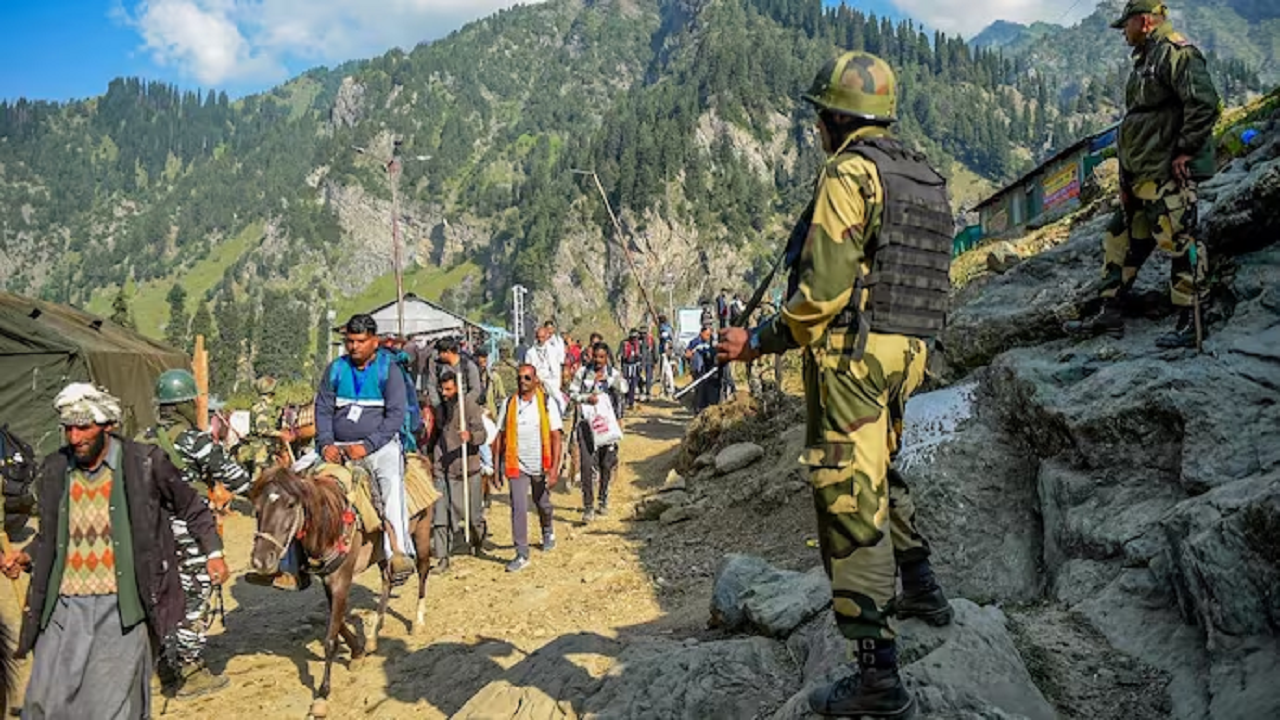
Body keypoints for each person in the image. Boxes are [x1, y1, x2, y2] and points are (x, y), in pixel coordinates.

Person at [717, 52, 955, 719]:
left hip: (854, 356)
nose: (816, 127)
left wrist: (756, 341)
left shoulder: (850, 173)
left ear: (833, 117)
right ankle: (924, 587)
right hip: (908, 352)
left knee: (850, 501)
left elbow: (820, 296)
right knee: (881, 472)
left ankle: (878, 679)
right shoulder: (921, 175)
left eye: (819, 115)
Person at [2, 383, 227, 720]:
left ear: (108, 425)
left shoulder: (145, 463)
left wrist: (213, 553)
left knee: (109, 706)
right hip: (62, 605)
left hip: (121, 605)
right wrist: (26, 555)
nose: (75, 438)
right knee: (43, 703)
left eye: (84, 428)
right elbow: (56, 536)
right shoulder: (54, 469)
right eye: (68, 429)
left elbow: (192, 507)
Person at [1063, 0, 1221, 348]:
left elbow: (1205, 102)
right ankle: (1110, 312)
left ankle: (1191, 318)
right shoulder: (1146, 61)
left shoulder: (1175, 53)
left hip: (1165, 171)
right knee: (1119, 238)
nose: (1123, 32)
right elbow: (1137, 123)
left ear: (1145, 21)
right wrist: (1125, 180)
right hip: (1140, 177)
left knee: (1179, 240)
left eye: (1127, 25)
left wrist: (1186, 150)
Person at [140, 369, 252, 698]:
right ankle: (189, 669)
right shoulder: (194, 440)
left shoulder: (141, 437)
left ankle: (164, 663)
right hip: (188, 531)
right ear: (186, 403)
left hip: (150, 533)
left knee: (160, 596)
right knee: (195, 596)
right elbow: (237, 480)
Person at [315, 314, 416, 580]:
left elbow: (395, 416)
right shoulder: (335, 369)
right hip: (336, 445)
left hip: (380, 446)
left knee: (391, 484)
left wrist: (368, 446)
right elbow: (323, 409)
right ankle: (290, 562)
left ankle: (398, 553)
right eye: (349, 341)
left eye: (360, 341)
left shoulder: (388, 370)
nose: (354, 347)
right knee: (296, 485)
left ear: (374, 341)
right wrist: (325, 443)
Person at [492, 364, 563, 573]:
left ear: (536, 381)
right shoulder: (509, 404)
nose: (523, 382)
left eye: (527, 378)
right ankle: (521, 553)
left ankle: (547, 530)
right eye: (519, 378)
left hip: (541, 463)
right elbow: (499, 437)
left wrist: (554, 469)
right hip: (517, 465)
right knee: (519, 507)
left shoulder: (547, 403)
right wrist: (496, 469)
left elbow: (556, 437)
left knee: (542, 502)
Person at [428, 372, 489, 568]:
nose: (444, 394)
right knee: (440, 516)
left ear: (457, 388)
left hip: (467, 470)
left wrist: (470, 436)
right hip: (443, 469)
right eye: (442, 389)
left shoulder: (469, 407)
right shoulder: (439, 409)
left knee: (473, 517)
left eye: (449, 389)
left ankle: (478, 539)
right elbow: (434, 436)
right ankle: (443, 557)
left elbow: (483, 434)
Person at [568, 343, 628, 522]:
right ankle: (588, 506)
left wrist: (613, 382)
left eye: (602, 357)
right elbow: (571, 393)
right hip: (587, 425)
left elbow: (624, 389)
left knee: (606, 463)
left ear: (606, 357)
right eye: (596, 357)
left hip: (607, 426)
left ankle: (603, 498)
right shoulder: (582, 373)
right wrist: (587, 398)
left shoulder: (612, 374)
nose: (598, 361)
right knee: (587, 465)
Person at [425, 336, 482, 409]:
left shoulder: (469, 367)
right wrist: (437, 406)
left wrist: (461, 405)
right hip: (443, 408)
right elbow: (431, 385)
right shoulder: (437, 366)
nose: (438, 355)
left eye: (440, 352)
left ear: (448, 352)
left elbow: (475, 390)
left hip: (464, 408)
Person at [527, 324, 566, 414]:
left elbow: (557, 368)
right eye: (538, 337)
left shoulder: (553, 350)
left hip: (552, 380)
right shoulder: (530, 352)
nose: (540, 340)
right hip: (537, 381)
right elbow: (528, 369)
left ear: (546, 337)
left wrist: (557, 383)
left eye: (542, 337)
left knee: (559, 402)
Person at [684, 326, 719, 413]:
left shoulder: (709, 343)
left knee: (704, 389)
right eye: (707, 335)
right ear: (701, 333)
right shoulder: (695, 342)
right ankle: (697, 408)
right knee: (699, 389)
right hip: (697, 369)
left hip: (706, 370)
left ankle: (702, 406)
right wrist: (693, 354)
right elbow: (687, 354)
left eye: (709, 335)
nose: (708, 337)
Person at [618, 329, 643, 411]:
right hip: (626, 366)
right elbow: (619, 353)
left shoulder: (638, 344)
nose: (634, 339)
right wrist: (619, 356)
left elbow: (641, 355)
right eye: (633, 338)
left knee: (633, 384)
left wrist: (640, 363)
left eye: (635, 338)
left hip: (635, 367)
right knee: (625, 384)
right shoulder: (624, 343)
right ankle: (625, 400)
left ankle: (631, 402)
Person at [640, 326, 657, 402]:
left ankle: (645, 392)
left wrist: (655, 360)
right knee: (648, 377)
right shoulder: (651, 339)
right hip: (648, 360)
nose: (643, 334)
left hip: (645, 361)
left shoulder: (639, 339)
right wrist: (655, 360)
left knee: (647, 377)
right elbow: (655, 351)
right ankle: (646, 392)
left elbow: (655, 350)